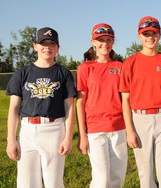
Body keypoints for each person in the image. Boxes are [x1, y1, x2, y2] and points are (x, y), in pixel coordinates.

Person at [6, 27, 76, 188]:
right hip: (28, 131)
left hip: (54, 129)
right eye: (43, 43)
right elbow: (14, 109)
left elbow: (70, 108)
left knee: (54, 182)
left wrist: (68, 137)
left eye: (52, 44)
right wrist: (11, 139)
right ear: (35, 46)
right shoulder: (23, 72)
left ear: (57, 48)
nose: (48, 47)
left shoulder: (63, 73)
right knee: (26, 183)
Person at [119, 16, 161, 188]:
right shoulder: (130, 63)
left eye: (154, 33)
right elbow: (125, 100)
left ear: (159, 35)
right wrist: (130, 130)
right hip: (140, 119)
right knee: (145, 175)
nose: (150, 37)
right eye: (145, 33)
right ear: (139, 36)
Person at [76, 23, 127, 188]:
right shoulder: (85, 68)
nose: (104, 43)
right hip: (95, 129)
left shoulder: (120, 67)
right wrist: (82, 136)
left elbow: (126, 98)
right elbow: (80, 102)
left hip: (119, 127)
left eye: (108, 39)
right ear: (93, 42)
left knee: (117, 177)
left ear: (113, 42)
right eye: (100, 40)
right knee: (101, 179)